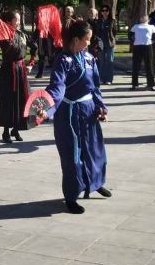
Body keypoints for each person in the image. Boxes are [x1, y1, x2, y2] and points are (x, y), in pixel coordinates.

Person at [43, 18, 111, 214]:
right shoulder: (63, 60)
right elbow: (57, 88)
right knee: (72, 155)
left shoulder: (89, 58)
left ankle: (95, 182)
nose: (89, 43)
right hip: (69, 112)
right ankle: (71, 196)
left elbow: (95, 86)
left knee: (94, 150)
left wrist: (100, 107)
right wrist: (47, 108)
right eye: (86, 39)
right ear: (75, 39)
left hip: (88, 110)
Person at [0, 9, 34, 143]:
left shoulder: (22, 34)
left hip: (20, 70)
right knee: (8, 100)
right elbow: (4, 49)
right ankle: (6, 131)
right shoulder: (3, 35)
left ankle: (16, 129)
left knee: (21, 99)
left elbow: (34, 47)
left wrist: (31, 63)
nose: (18, 22)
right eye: (16, 20)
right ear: (8, 22)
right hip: (8, 71)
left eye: (19, 20)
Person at [130, 16, 155, 90]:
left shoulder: (152, 26)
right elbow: (130, 35)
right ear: (140, 19)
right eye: (142, 17)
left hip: (148, 47)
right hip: (137, 47)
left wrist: (151, 42)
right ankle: (134, 84)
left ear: (148, 19)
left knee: (149, 66)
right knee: (135, 66)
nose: (143, 18)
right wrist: (134, 41)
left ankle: (151, 85)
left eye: (145, 17)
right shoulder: (135, 26)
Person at [93, 5, 117, 85]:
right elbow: (96, 32)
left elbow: (115, 32)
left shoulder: (112, 21)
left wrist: (113, 41)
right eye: (103, 11)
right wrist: (97, 41)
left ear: (109, 12)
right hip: (100, 43)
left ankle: (108, 79)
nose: (104, 12)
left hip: (110, 44)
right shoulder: (98, 21)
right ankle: (101, 78)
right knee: (101, 61)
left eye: (106, 10)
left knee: (109, 61)